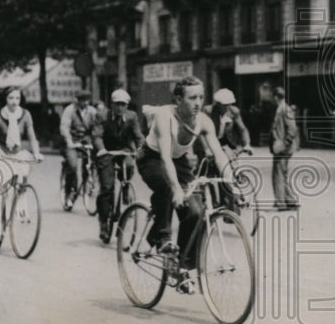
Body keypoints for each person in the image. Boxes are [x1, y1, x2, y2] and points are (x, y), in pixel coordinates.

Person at [137, 76, 237, 295]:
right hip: (152, 158)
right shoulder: (165, 117)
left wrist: (232, 182)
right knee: (165, 188)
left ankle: (180, 267)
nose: (198, 103)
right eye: (192, 98)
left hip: (180, 161)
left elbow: (219, 154)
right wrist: (176, 189)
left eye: (201, 97)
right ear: (179, 99)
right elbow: (164, 158)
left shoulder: (204, 121)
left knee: (196, 212)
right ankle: (162, 238)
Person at [92, 88, 145, 240]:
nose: (120, 108)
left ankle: (126, 186)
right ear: (112, 104)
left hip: (124, 150)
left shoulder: (132, 116)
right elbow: (97, 136)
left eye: (123, 104)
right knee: (107, 187)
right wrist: (101, 149)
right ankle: (103, 222)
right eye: (117, 104)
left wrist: (141, 149)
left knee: (129, 166)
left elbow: (138, 136)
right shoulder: (102, 116)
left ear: (127, 105)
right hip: (107, 151)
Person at [0, 86, 43, 169]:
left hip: (18, 154)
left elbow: (32, 138)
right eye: (11, 98)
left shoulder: (25, 114)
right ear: (5, 99)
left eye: (17, 98)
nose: (14, 102)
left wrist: (36, 153)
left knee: (22, 176)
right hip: (2, 153)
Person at [60, 90, 97, 205]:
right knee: (73, 166)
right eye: (82, 100)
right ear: (78, 100)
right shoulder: (69, 110)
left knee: (95, 161)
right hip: (72, 141)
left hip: (86, 141)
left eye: (87, 100)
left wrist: (95, 140)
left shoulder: (92, 111)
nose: (85, 103)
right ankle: (69, 192)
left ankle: (88, 183)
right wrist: (70, 142)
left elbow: (96, 127)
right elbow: (64, 127)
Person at [269, 86, 299, 209]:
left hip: (283, 148)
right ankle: (290, 200)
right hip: (281, 147)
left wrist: (284, 143)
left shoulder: (285, 109)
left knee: (278, 175)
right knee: (282, 174)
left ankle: (281, 202)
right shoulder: (281, 108)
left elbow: (292, 129)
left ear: (276, 97)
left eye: (273, 96)